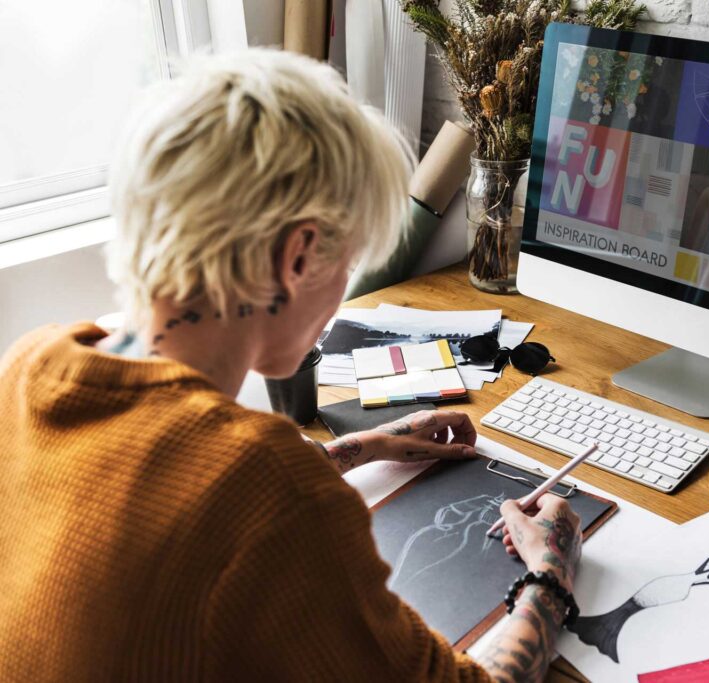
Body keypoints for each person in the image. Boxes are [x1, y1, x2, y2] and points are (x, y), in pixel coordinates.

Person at [0, 49, 581, 682]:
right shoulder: (269, 487)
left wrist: (358, 447)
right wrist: (549, 574)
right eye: (349, 260)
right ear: (299, 256)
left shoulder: (32, 364)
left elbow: (152, 505)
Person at [570, 554, 709, 662]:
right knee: (630, 608)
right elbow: (705, 579)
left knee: (630, 608)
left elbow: (703, 575)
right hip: (677, 588)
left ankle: (599, 632)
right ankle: (599, 633)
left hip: (675, 584)